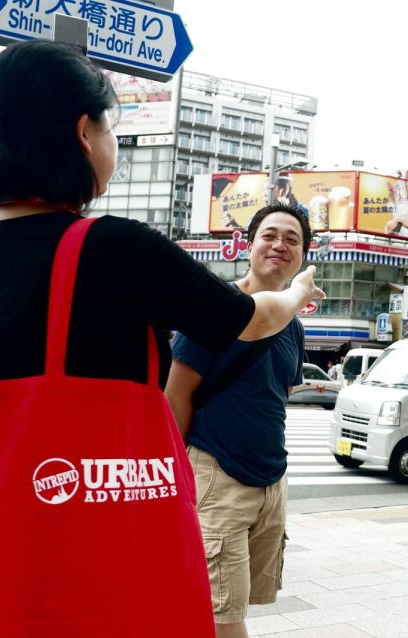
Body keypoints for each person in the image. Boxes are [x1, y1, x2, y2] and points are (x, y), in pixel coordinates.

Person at [0, 41, 323, 637]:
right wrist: (299, 293)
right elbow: (251, 317)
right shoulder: (113, 247)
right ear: (84, 132)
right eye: (110, 128)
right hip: (74, 560)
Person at [166, 203, 309, 637]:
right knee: (221, 615)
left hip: (270, 480)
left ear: (302, 254)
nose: (279, 245)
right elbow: (176, 395)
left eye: (292, 238)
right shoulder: (215, 307)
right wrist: (182, 477)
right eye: (269, 235)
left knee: (230, 604)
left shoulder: (293, 325)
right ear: (247, 246)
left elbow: (277, 396)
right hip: (216, 475)